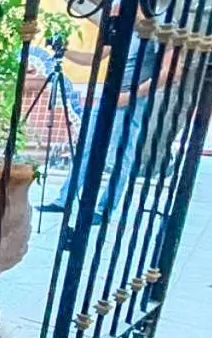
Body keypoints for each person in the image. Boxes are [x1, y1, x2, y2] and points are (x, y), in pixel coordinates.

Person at [38, 35, 166, 224]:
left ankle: (104, 210)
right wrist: (63, 51)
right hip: (109, 95)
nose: (114, 10)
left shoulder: (156, 29)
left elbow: (167, 72)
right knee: (86, 148)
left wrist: (130, 96)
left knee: (120, 155)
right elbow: (95, 58)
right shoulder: (124, 29)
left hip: (132, 101)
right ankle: (64, 200)